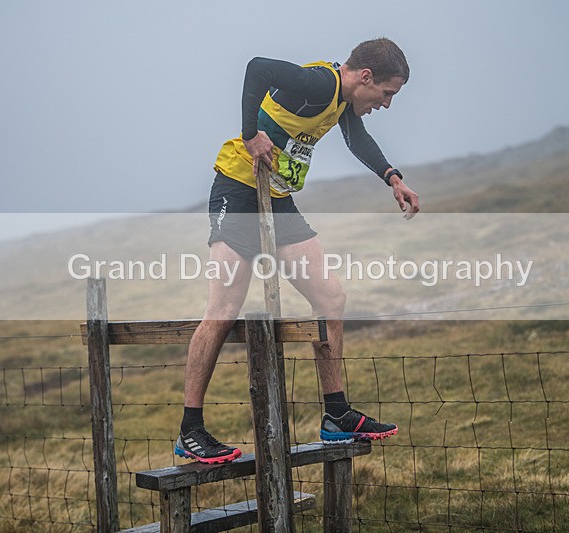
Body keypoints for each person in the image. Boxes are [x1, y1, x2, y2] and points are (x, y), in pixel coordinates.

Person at [174, 38, 420, 464]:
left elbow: (356, 137)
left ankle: (337, 413)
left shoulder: (341, 101)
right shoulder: (321, 84)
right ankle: (190, 429)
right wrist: (251, 135)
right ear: (365, 77)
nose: (387, 103)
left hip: (279, 197)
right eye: (387, 93)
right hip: (239, 190)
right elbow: (257, 67)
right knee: (223, 309)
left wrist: (392, 176)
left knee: (330, 298)